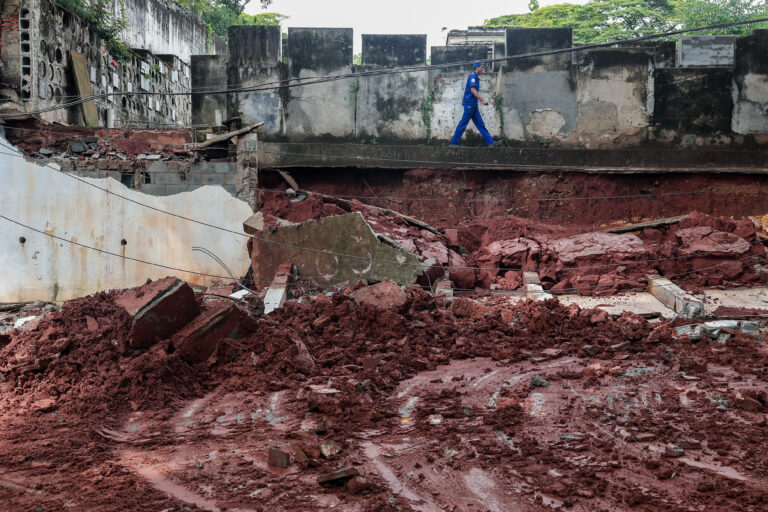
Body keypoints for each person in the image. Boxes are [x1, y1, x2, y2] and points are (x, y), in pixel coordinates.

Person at [450, 61, 501, 147]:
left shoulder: (475, 77)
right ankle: (453, 143)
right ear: (477, 67)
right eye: (481, 67)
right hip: (469, 104)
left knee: (480, 124)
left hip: (473, 105)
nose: (482, 68)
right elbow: (473, 90)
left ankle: (490, 142)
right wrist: (482, 100)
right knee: (463, 123)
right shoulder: (472, 76)